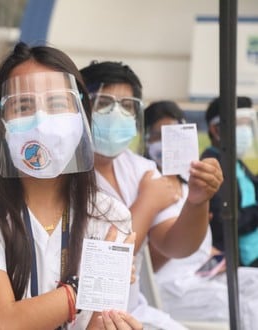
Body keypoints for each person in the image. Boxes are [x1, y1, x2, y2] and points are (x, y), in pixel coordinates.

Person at [0, 42, 143, 330]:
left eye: (57, 104)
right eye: (23, 105)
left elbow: (98, 322)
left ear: (81, 118)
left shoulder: (110, 215)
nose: (42, 120)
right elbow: (1, 322)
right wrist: (87, 283)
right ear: (2, 124)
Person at [80, 61, 223, 329]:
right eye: (103, 103)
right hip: (81, 316)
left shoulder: (140, 169)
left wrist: (196, 201)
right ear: (79, 107)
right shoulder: (66, 175)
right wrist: (148, 202)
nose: (116, 113)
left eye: (126, 106)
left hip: (133, 310)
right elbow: (102, 263)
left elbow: (177, 245)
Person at [144, 100, 258, 329]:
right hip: (172, 286)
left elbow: (200, 247)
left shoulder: (189, 187)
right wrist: (187, 230)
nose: (167, 143)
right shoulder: (147, 188)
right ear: (146, 139)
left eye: (173, 134)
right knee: (246, 308)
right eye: (159, 135)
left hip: (202, 274)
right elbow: (146, 262)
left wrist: (209, 253)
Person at [201, 96, 258, 267]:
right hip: (233, 265)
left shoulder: (236, 163)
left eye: (248, 124)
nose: (245, 130)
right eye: (239, 124)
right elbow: (223, 221)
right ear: (216, 129)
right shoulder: (211, 167)